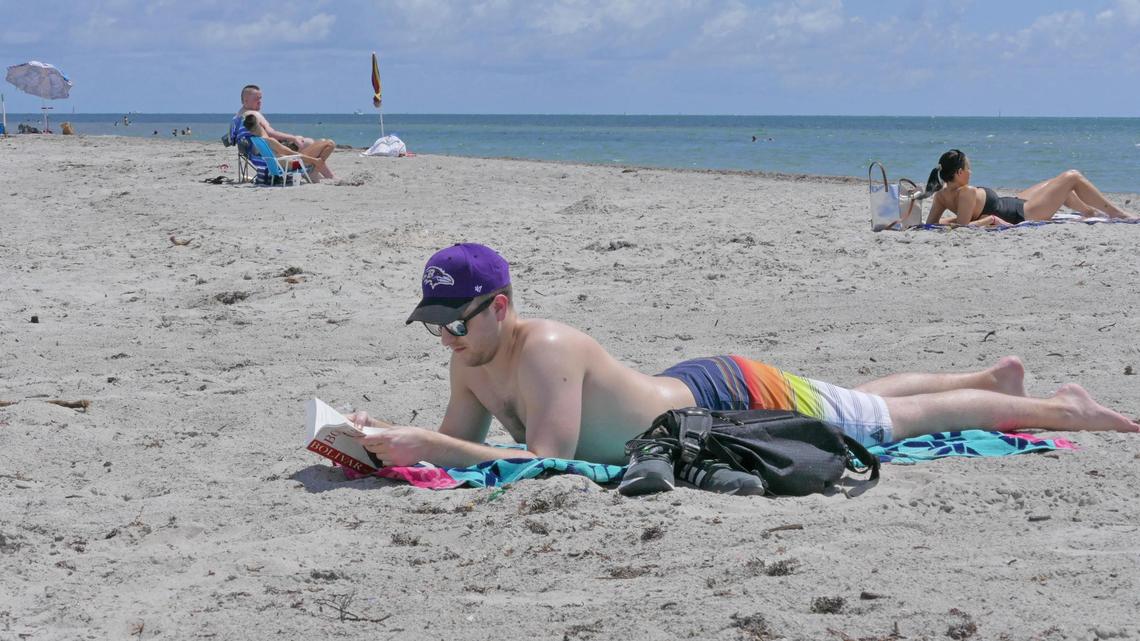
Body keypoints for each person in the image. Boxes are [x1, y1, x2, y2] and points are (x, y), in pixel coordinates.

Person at [346, 243, 1139, 469]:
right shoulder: (470, 359)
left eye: (456, 320)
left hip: (723, 405)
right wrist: (394, 437)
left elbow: (544, 460)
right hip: (693, 388)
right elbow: (465, 447)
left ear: (502, 307)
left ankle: (1061, 408)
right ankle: (990, 378)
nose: (446, 337)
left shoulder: (546, 348)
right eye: (435, 324)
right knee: (848, 395)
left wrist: (423, 444)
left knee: (888, 419)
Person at [924, 149, 1135, 226]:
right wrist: (985, 220)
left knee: (1053, 182)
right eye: (969, 169)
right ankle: (1118, 213)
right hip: (1022, 213)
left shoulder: (942, 196)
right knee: (1072, 176)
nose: (971, 172)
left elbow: (932, 223)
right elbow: (963, 226)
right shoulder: (967, 192)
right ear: (959, 172)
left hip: (1012, 201)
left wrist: (948, 221)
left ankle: (1087, 211)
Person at [237, 84, 336, 165]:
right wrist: (293, 139)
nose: (260, 101)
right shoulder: (254, 115)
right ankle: (316, 173)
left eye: (260, 98)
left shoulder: (239, 117)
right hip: (282, 162)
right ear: (246, 100)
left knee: (305, 141)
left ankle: (316, 172)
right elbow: (271, 134)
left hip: (260, 156)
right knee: (319, 143)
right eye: (256, 99)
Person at [242, 114, 336, 182]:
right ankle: (313, 172)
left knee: (322, 141)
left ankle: (314, 172)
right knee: (330, 143)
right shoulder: (269, 141)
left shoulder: (256, 141)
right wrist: (314, 160)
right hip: (294, 164)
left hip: (282, 165)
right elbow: (292, 154)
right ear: (259, 123)